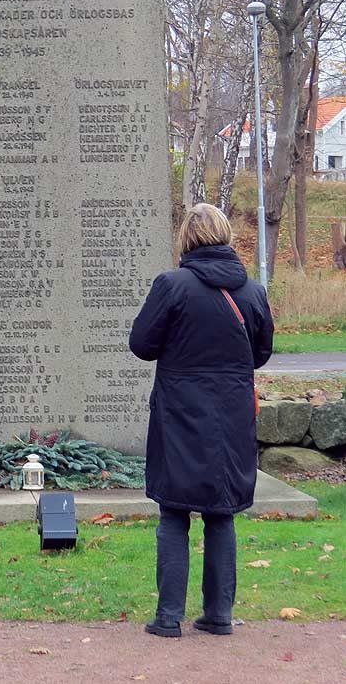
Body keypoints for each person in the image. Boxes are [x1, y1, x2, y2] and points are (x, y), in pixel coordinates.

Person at [129, 202, 274, 638]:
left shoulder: (172, 286)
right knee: (221, 513)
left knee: (173, 512)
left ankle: (169, 617)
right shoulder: (252, 292)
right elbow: (261, 353)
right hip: (231, 416)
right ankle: (218, 615)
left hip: (179, 414)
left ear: (186, 240)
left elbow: (141, 343)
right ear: (226, 236)